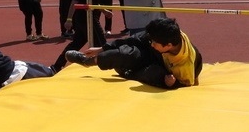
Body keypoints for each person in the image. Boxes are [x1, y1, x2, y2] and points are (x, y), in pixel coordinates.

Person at [65, 17, 202, 89]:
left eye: (155, 43)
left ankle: (128, 71)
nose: (152, 43)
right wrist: (103, 48)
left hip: (161, 70)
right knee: (120, 53)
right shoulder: (162, 35)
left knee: (153, 73)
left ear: (169, 46)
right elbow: (135, 39)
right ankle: (86, 61)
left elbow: (186, 86)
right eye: (152, 41)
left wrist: (173, 84)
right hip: (152, 56)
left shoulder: (185, 66)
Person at [51, 0, 108, 72]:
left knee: (76, 43)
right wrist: (69, 19)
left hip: (90, 17)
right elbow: (74, 1)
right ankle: (104, 66)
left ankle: (57, 66)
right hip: (86, 18)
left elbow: (94, 2)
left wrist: (104, 10)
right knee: (102, 44)